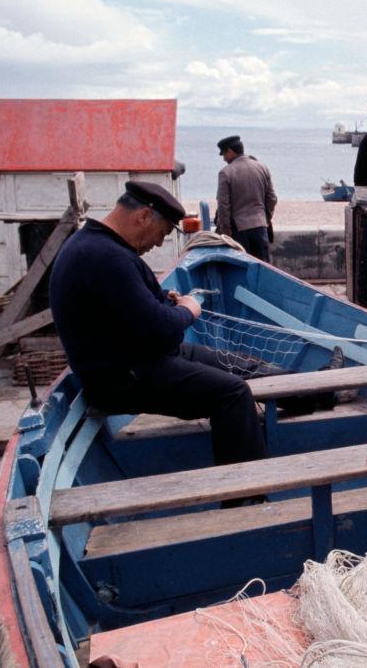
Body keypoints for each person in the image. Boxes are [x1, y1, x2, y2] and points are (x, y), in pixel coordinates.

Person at [50, 181, 267, 503]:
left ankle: (317, 391)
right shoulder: (105, 257)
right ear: (143, 216)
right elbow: (163, 329)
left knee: (237, 364)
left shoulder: (95, 246)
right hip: (123, 377)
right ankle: (244, 499)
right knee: (232, 394)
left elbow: (133, 310)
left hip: (140, 357)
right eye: (162, 233)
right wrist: (189, 311)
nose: (158, 243)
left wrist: (166, 303)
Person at [216, 135, 277, 262]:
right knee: (263, 268)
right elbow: (272, 198)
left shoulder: (226, 173)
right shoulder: (262, 167)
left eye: (224, 154)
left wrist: (226, 233)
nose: (223, 159)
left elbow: (223, 206)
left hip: (239, 230)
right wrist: (265, 219)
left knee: (242, 270)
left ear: (230, 151)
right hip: (260, 226)